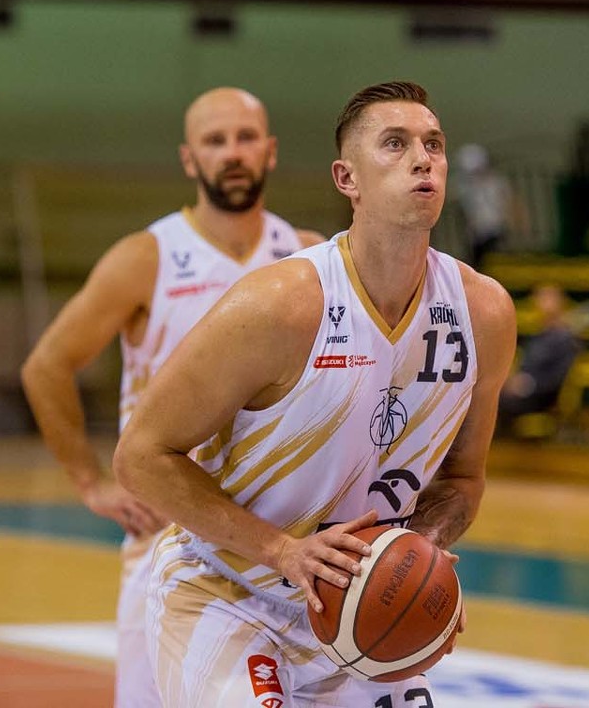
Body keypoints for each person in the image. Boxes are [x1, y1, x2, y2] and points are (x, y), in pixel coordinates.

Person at [115, 81, 517, 707]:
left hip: (355, 612)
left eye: (434, 144)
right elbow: (140, 456)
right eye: (396, 143)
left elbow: (462, 481)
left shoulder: (484, 314)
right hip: (226, 593)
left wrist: (421, 557)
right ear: (346, 178)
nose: (423, 159)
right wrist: (282, 551)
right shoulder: (279, 306)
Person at [22, 87, 323, 708]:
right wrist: (90, 482)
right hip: (171, 542)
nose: (232, 153)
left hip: (279, 549)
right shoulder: (147, 257)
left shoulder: (307, 255)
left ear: (270, 151)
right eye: (215, 141)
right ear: (190, 158)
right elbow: (46, 366)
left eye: (245, 138)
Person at [500, 283, 580, 423]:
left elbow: (559, 376)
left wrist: (528, 385)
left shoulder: (566, 338)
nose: (543, 302)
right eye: (540, 297)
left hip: (542, 396)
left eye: (549, 298)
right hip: (522, 388)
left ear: (561, 302)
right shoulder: (538, 334)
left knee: (494, 402)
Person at [454, 143, 515, 266]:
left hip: (494, 228)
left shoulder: (495, 183)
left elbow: (509, 202)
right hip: (477, 232)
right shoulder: (465, 186)